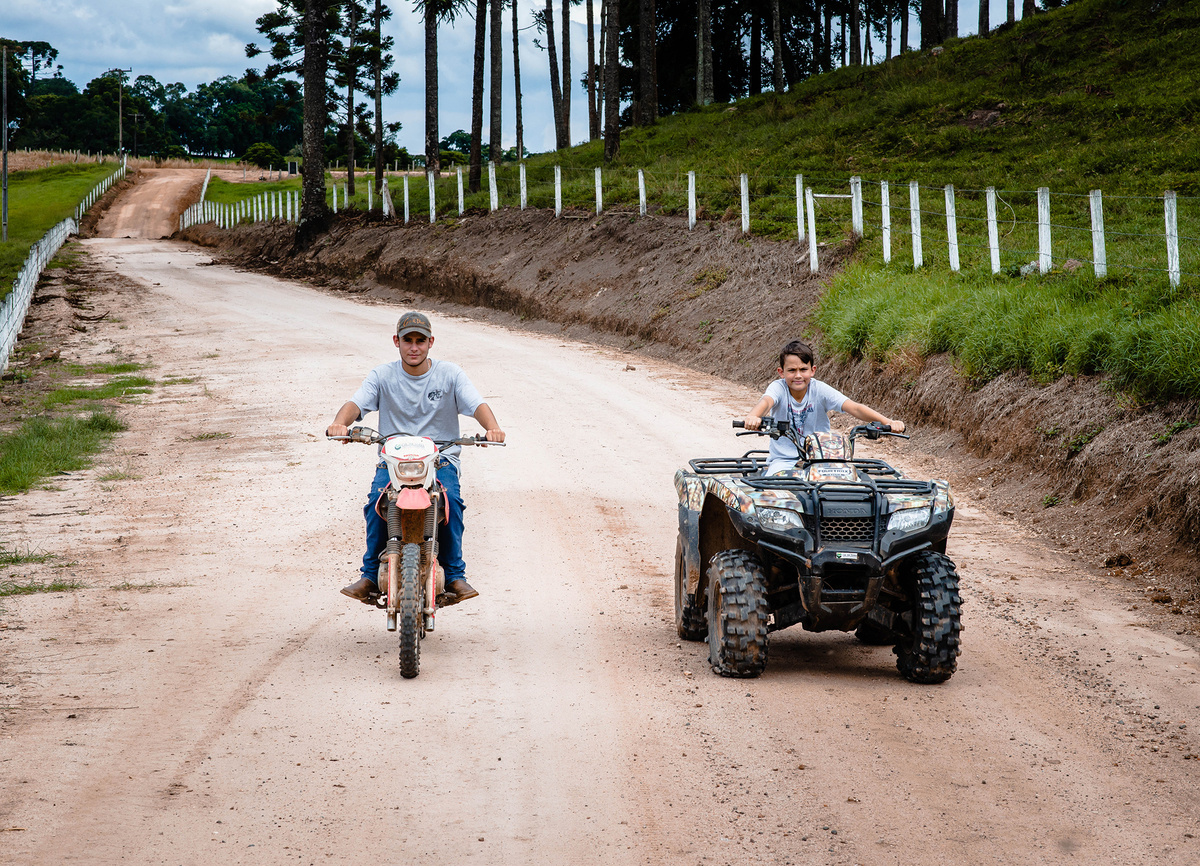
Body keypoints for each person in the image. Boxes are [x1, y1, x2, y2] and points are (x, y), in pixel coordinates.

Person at [326, 311, 505, 604]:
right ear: (396, 341)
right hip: (393, 462)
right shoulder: (382, 376)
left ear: (430, 342)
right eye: (407, 340)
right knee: (375, 503)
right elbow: (356, 404)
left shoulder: (450, 374)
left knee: (451, 502)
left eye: (420, 341)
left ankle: (455, 575)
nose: (413, 347)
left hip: (440, 459)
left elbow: (477, 404)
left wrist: (492, 428)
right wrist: (340, 423)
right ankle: (369, 575)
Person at [743, 339, 905, 475]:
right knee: (776, 489)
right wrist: (753, 417)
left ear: (812, 370)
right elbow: (766, 402)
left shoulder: (819, 389)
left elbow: (854, 407)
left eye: (803, 369)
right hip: (783, 461)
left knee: (841, 489)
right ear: (781, 372)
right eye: (791, 370)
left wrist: (888, 422)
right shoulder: (778, 388)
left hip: (822, 459)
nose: (798, 375)